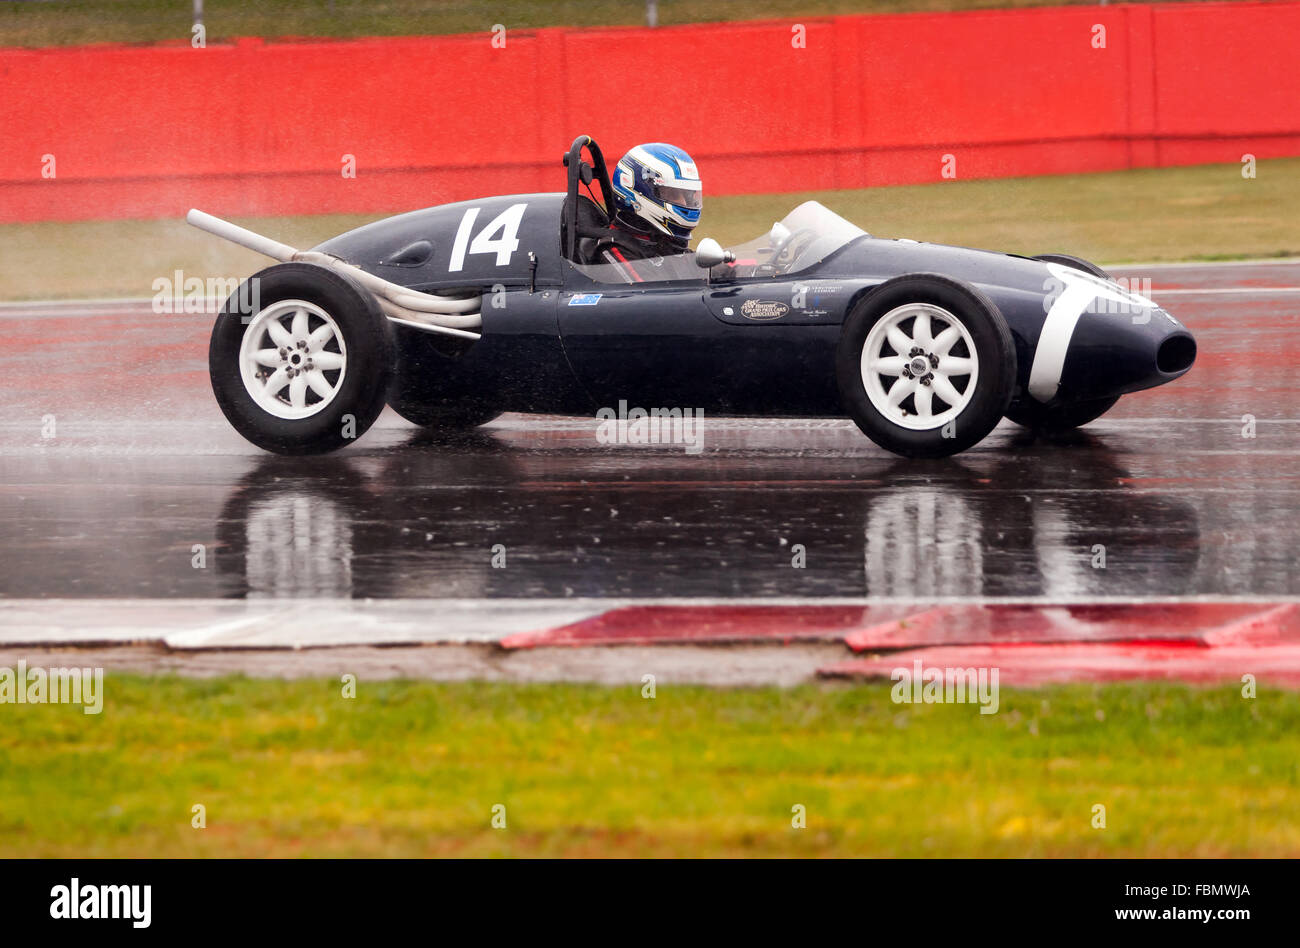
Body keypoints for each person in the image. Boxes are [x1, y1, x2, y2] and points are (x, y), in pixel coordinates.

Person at [586, 143, 702, 280]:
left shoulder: (665, 243)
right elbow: (655, 298)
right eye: (674, 194)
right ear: (638, 192)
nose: (684, 203)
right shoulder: (614, 251)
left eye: (687, 195)